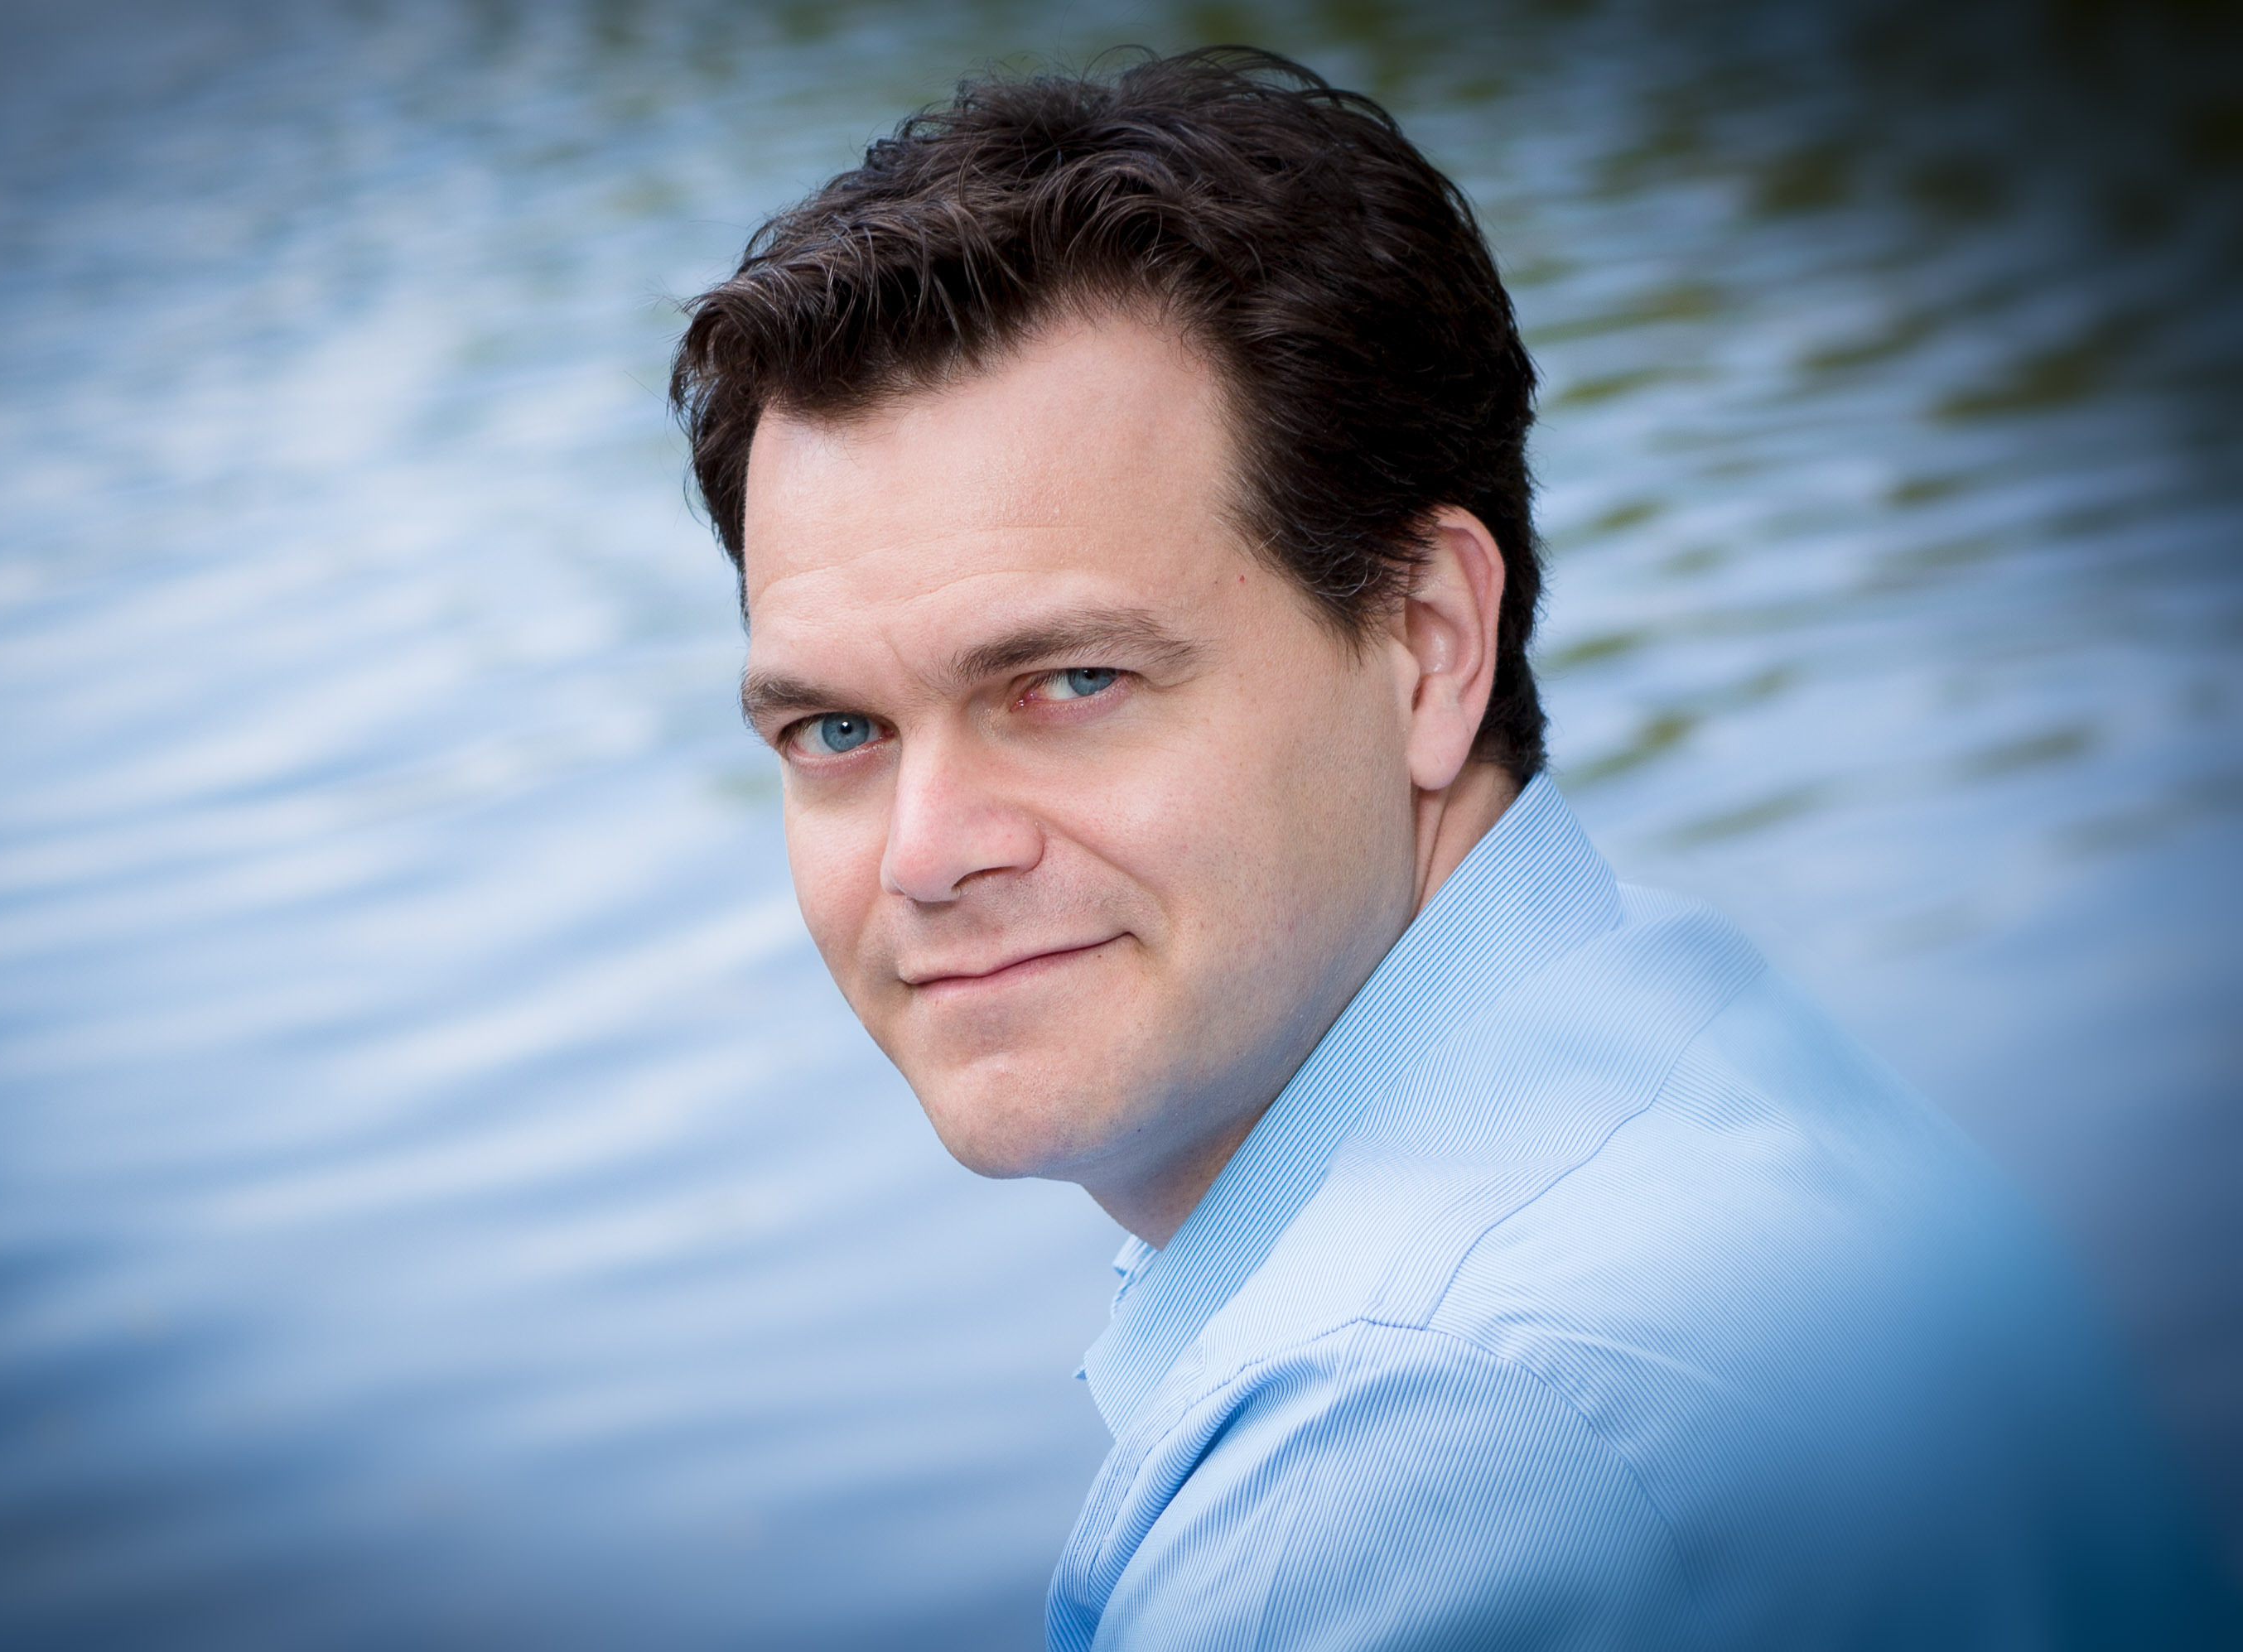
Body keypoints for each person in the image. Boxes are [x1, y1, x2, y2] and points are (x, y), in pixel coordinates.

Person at [669, 47, 2231, 1650]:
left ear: (1426, 645)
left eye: (1070, 682)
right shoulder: (1682, 1050)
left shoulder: (1404, 1448)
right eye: (835, 733)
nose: (924, 855)